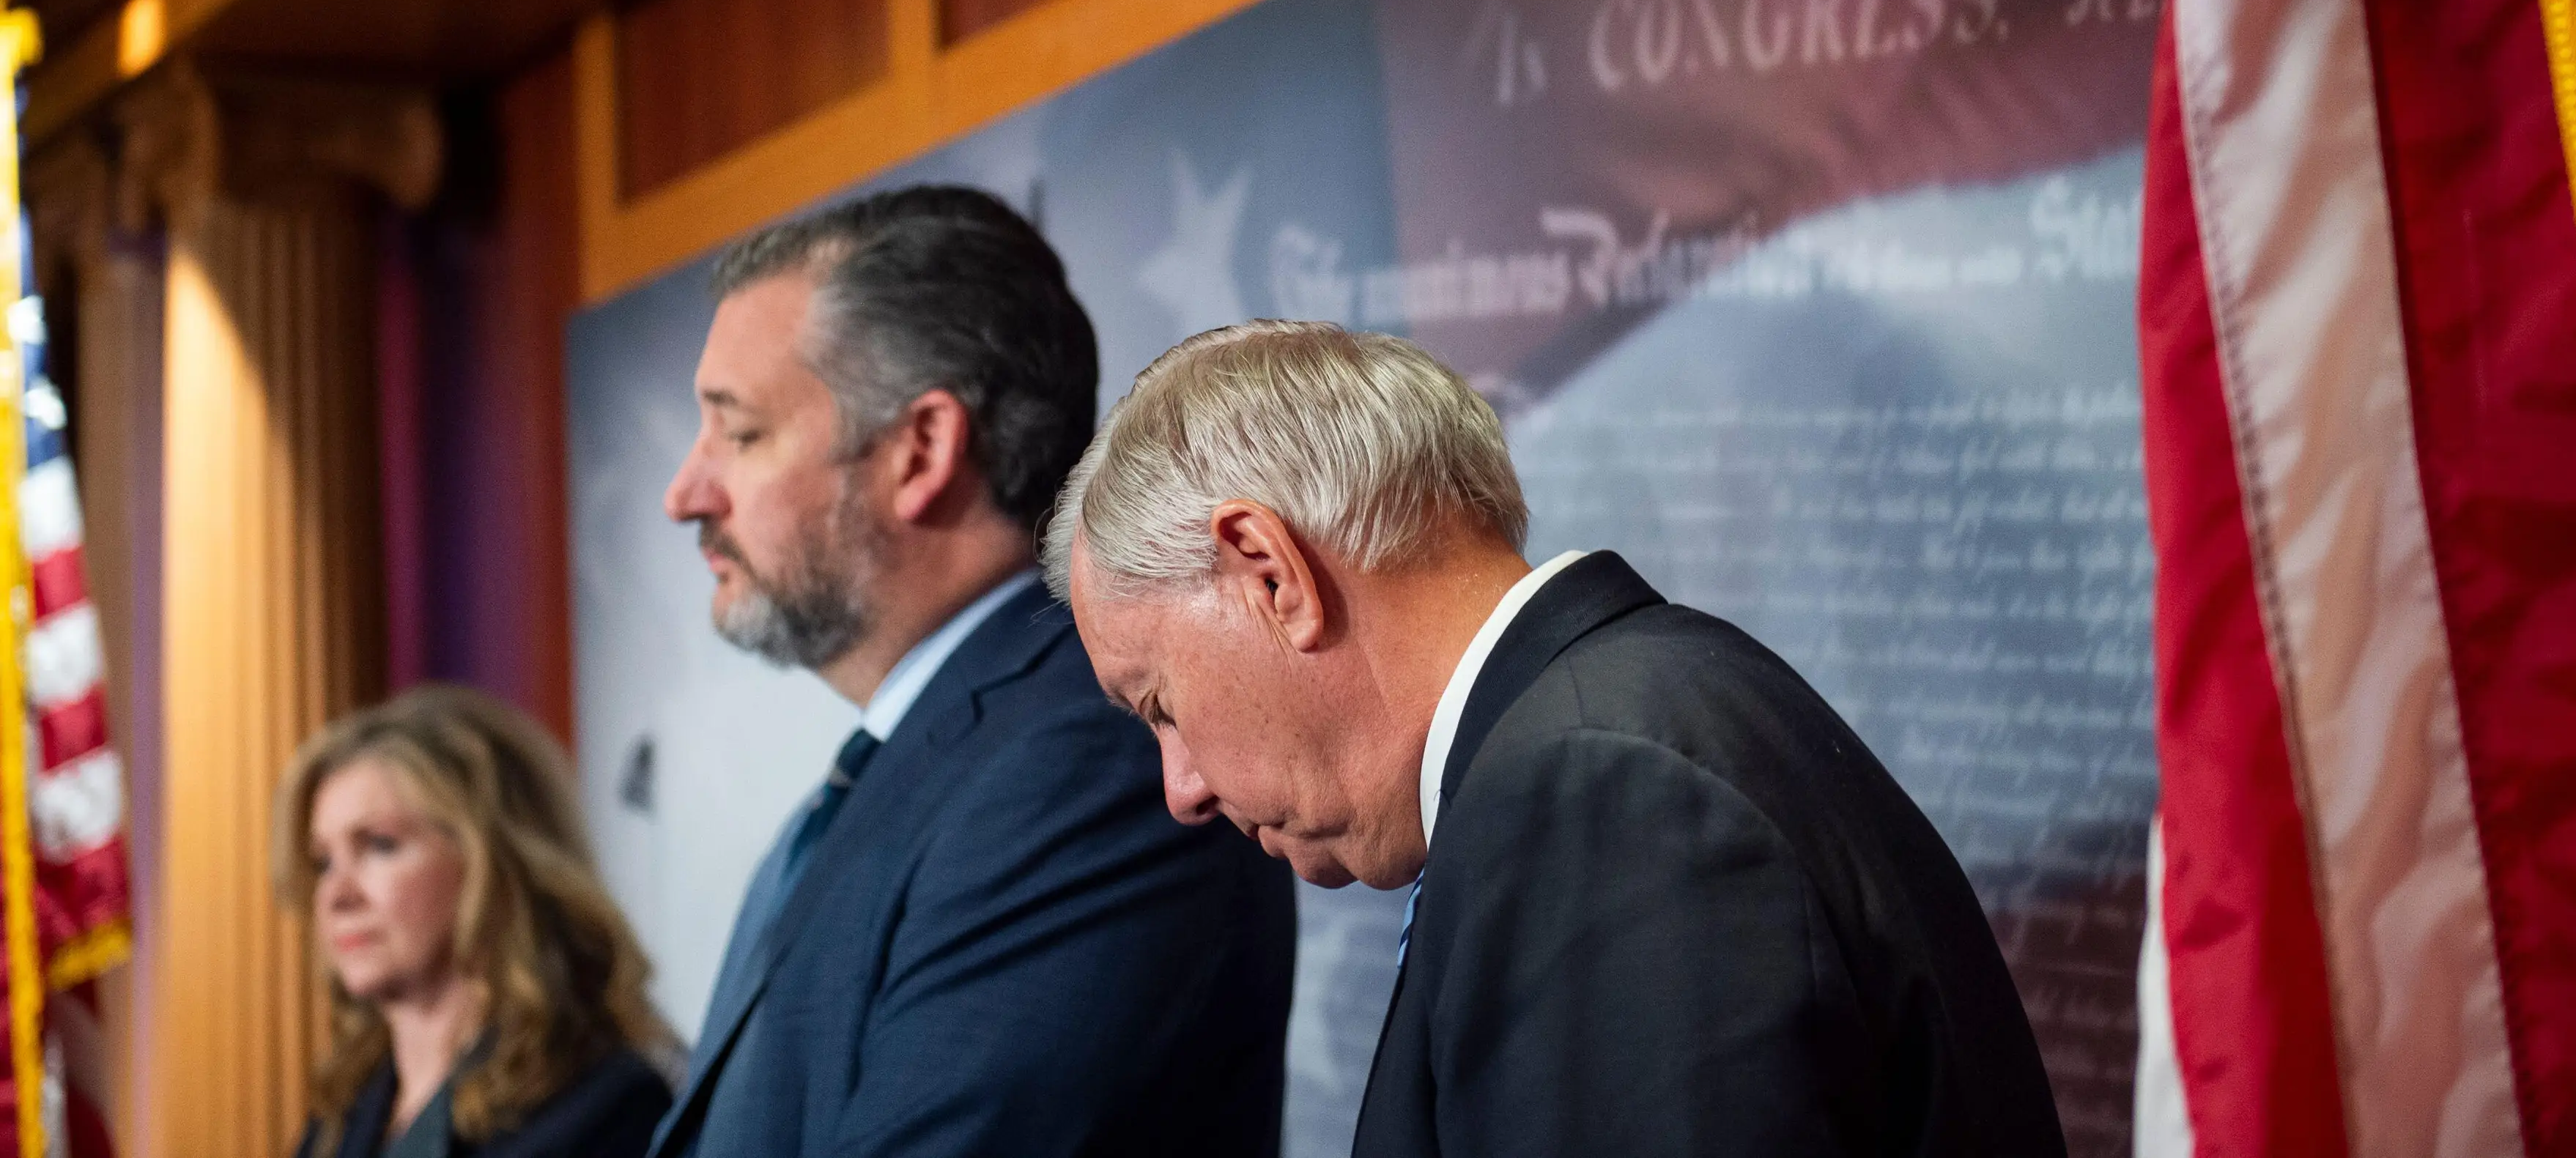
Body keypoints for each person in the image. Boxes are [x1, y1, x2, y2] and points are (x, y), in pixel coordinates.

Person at [1051, 319, 2070, 1158]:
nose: (1180, 786)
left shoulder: (1598, 795)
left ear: (1270, 575)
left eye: (1160, 705)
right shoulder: (1635, 719)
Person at [650, 186, 1296, 1158]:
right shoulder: (915, 759)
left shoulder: (1090, 765)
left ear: (922, 450)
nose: (684, 495)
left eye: (740, 434)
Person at [279, 685, 673, 1158]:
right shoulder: (341, 1113)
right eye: (323, 862)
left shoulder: (606, 1106)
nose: (337, 894)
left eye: (380, 845)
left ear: (496, 860)